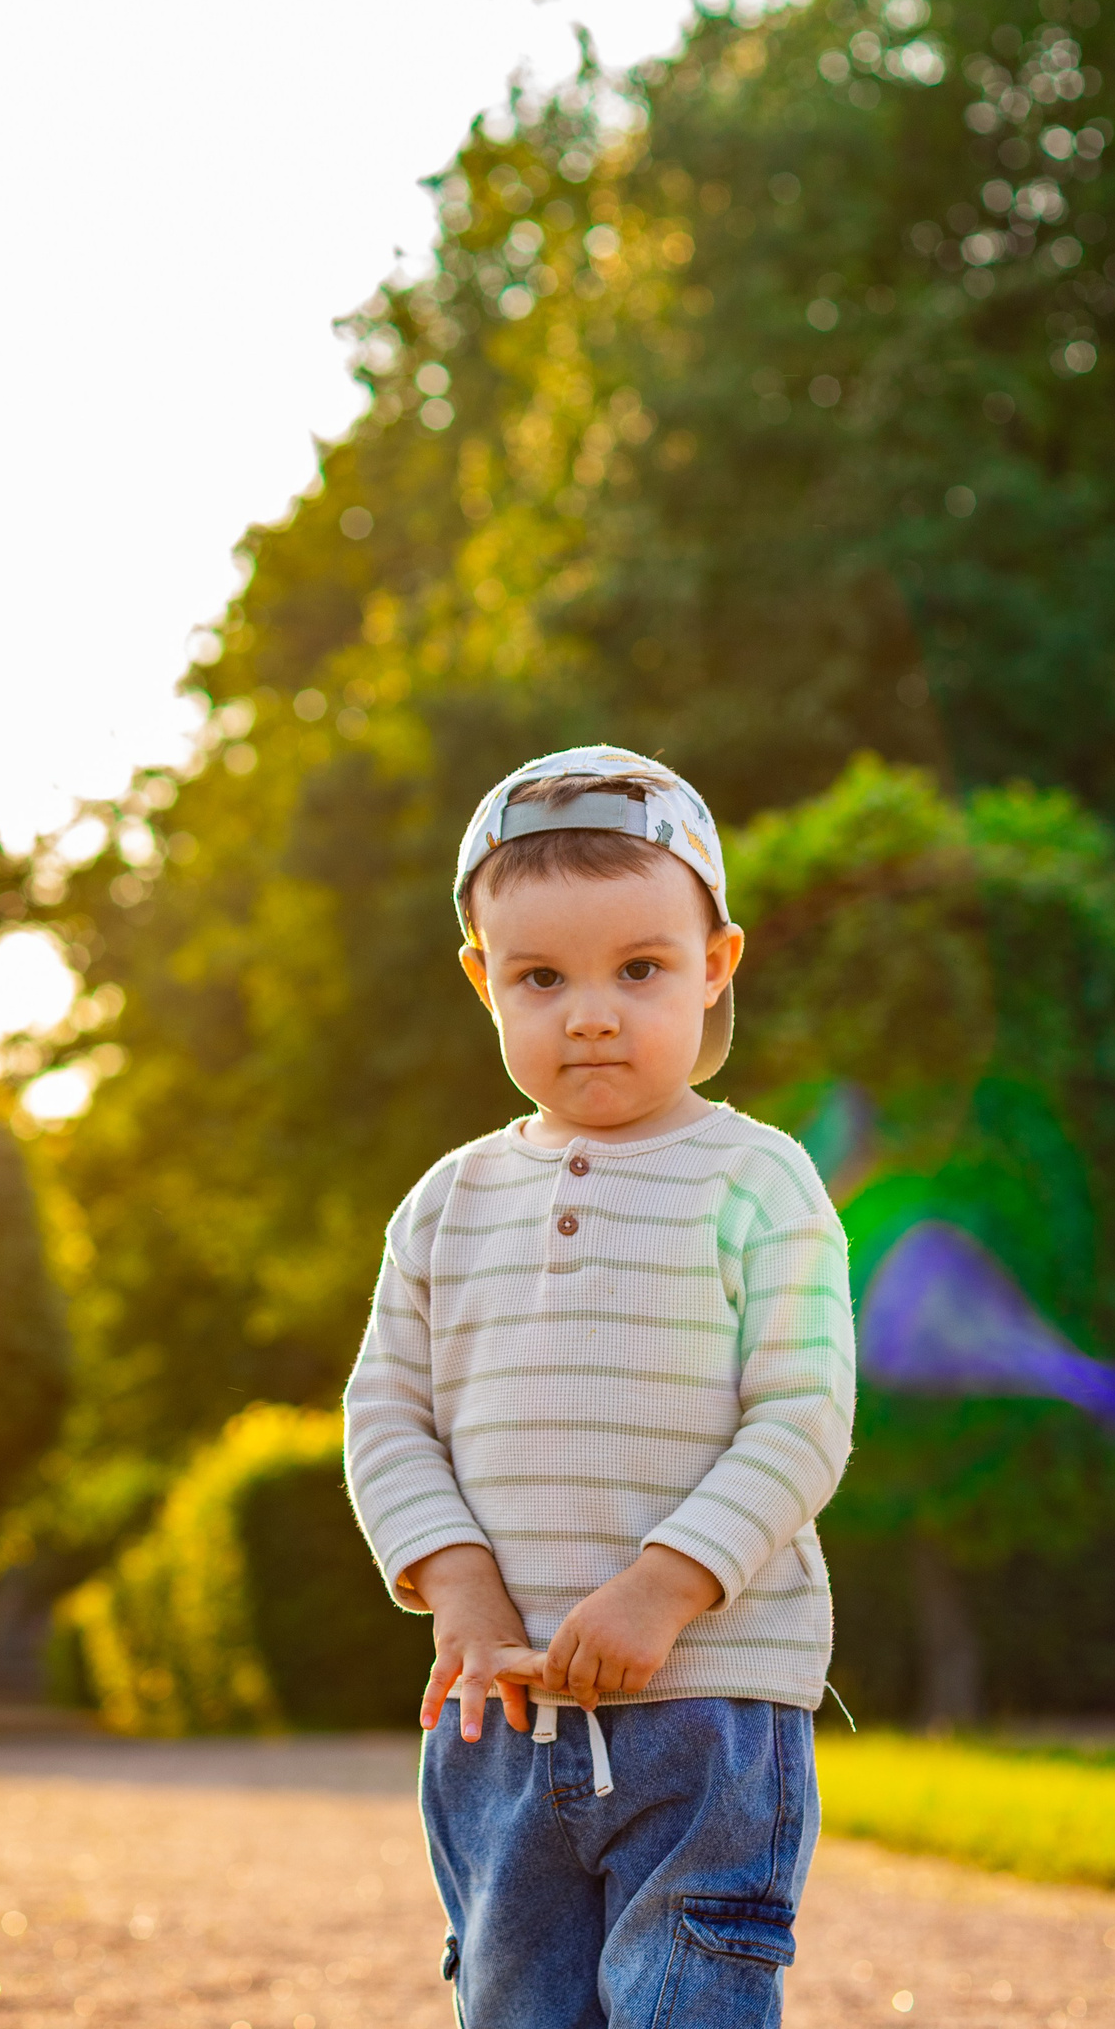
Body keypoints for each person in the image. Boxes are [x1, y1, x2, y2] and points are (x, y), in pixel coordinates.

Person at [342, 744, 855, 2029]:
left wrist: (661, 1589)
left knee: (690, 1992)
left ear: (715, 965)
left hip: (710, 1704)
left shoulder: (760, 1179)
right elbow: (387, 1413)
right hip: (495, 1706)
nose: (590, 1012)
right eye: (540, 977)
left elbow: (801, 1414)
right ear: (482, 981)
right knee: (514, 2001)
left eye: (639, 970)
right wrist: (455, 1589)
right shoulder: (448, 1202)